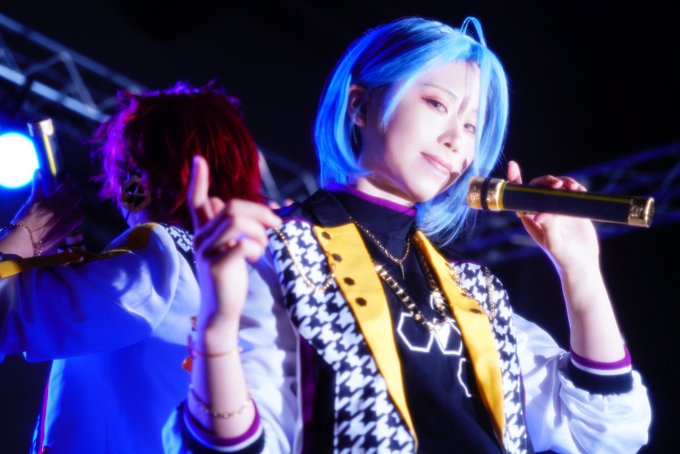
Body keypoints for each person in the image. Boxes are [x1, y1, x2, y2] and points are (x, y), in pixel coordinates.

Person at [164, 16, 652, 453]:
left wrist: (580, 268)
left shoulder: (473, 291)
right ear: (360, 104)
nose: (456, 140)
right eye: (437, 104)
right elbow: (243, 442)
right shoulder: (283, 251)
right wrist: (216, 330)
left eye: (472, 126)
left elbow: (606, 434)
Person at [0, 81, 262, 453]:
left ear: (136, 179)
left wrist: (26, 233)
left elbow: (8, 315)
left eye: (124, 172)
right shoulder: (240, 282)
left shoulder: (159, 251)